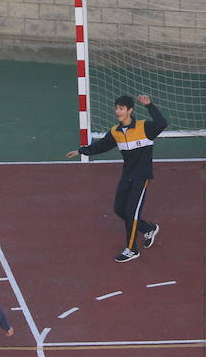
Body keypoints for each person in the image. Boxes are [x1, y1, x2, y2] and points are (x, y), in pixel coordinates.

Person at [66, 94, 167, 263]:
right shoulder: (116, 132)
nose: (118, 111)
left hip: (141, 177)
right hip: (127, 176)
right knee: (119, 209)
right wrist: (80, 151)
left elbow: (162, 123)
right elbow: (101, 145)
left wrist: (149, 105)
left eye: (121, 108)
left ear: (130, 110)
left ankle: (132, 249)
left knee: (132, 213)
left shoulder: (145, 128)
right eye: (116, 108)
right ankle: (148, 228)